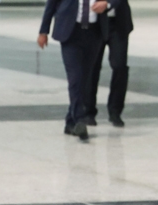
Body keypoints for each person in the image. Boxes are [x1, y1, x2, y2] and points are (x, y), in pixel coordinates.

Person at [38, 0, 110, 140]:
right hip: (70, 32)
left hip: (94, 33)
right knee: (75, 77)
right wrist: (43, 31)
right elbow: (51, 4)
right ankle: (80, 120)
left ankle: (70, 122)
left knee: (85, 79)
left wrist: (106, 4)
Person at [87, 0, 132, 127]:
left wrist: (108, 4)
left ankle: (115, 111)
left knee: (120, 66)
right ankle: (88, 111)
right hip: (94, 23)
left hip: (118, 23)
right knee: (92, 67)